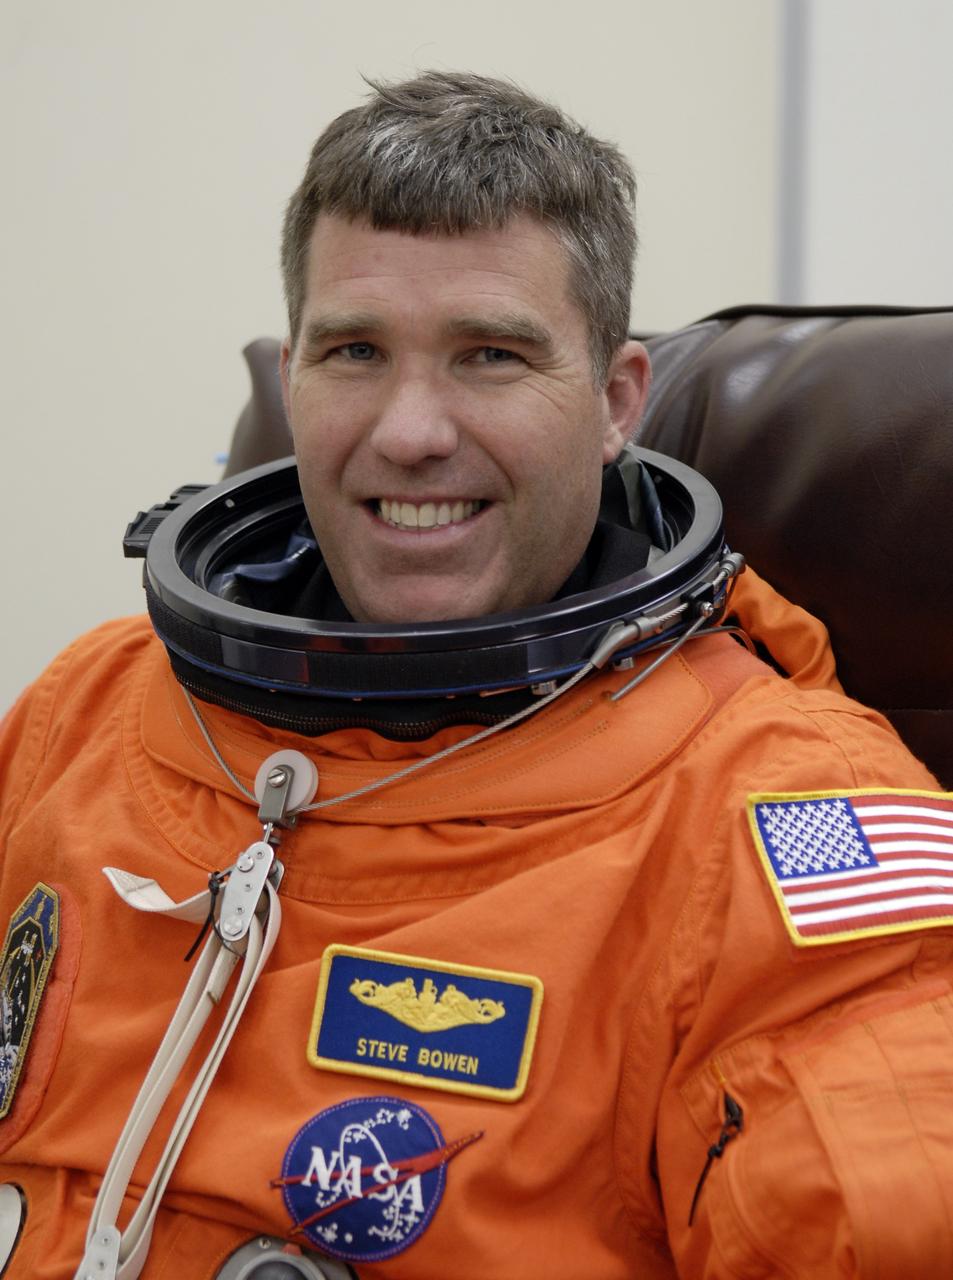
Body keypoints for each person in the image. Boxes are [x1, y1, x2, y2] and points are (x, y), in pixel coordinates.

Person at [0, 70, 951, 1280]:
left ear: (615, 402)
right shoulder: (88, 709)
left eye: (490, 356)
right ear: (292, 376)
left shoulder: (782, 819)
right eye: (354, 349)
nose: (409, 431)